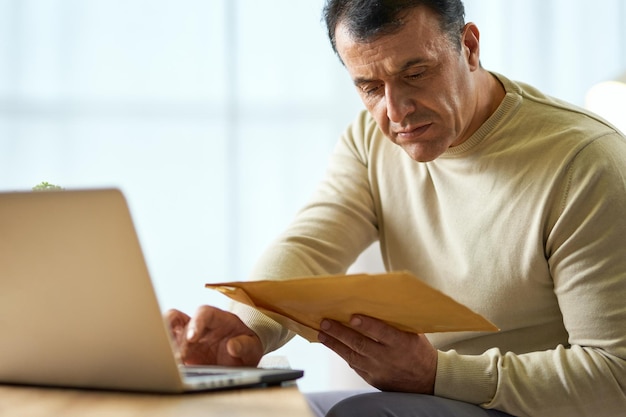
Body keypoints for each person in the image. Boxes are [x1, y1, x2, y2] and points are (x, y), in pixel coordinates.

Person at [165, 0, 626, 416]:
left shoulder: (585, 163)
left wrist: (436, 375)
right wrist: (245, 333)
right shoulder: (371, 141)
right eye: (369, 86)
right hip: (432, 395)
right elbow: (309, 245)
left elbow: (616, 376)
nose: (397, 110)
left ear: (468, 47)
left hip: (540, 408)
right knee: (259, 411)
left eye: (416, 73)